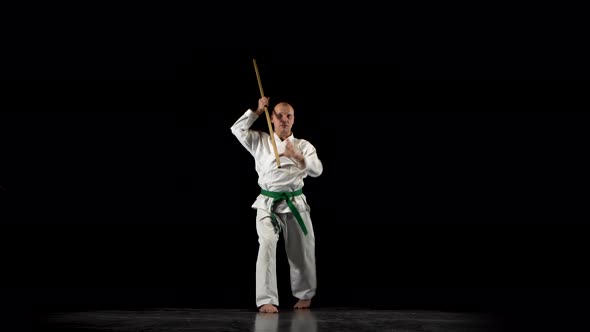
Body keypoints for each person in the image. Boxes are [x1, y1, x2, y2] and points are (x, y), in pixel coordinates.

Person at [231, 96, 323, 313]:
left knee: (302, 249)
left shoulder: (303, 145)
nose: (284, 119)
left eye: (288, 115)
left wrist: (298, 157)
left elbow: (317, 170)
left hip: (295, 203)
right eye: (279, 115)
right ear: (272, 118)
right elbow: (237, 129)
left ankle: (304, 295)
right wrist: (256, 111)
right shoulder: (260, 141)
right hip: (267, 203)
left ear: (293, 120)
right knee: (266, 246)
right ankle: (266, 299)